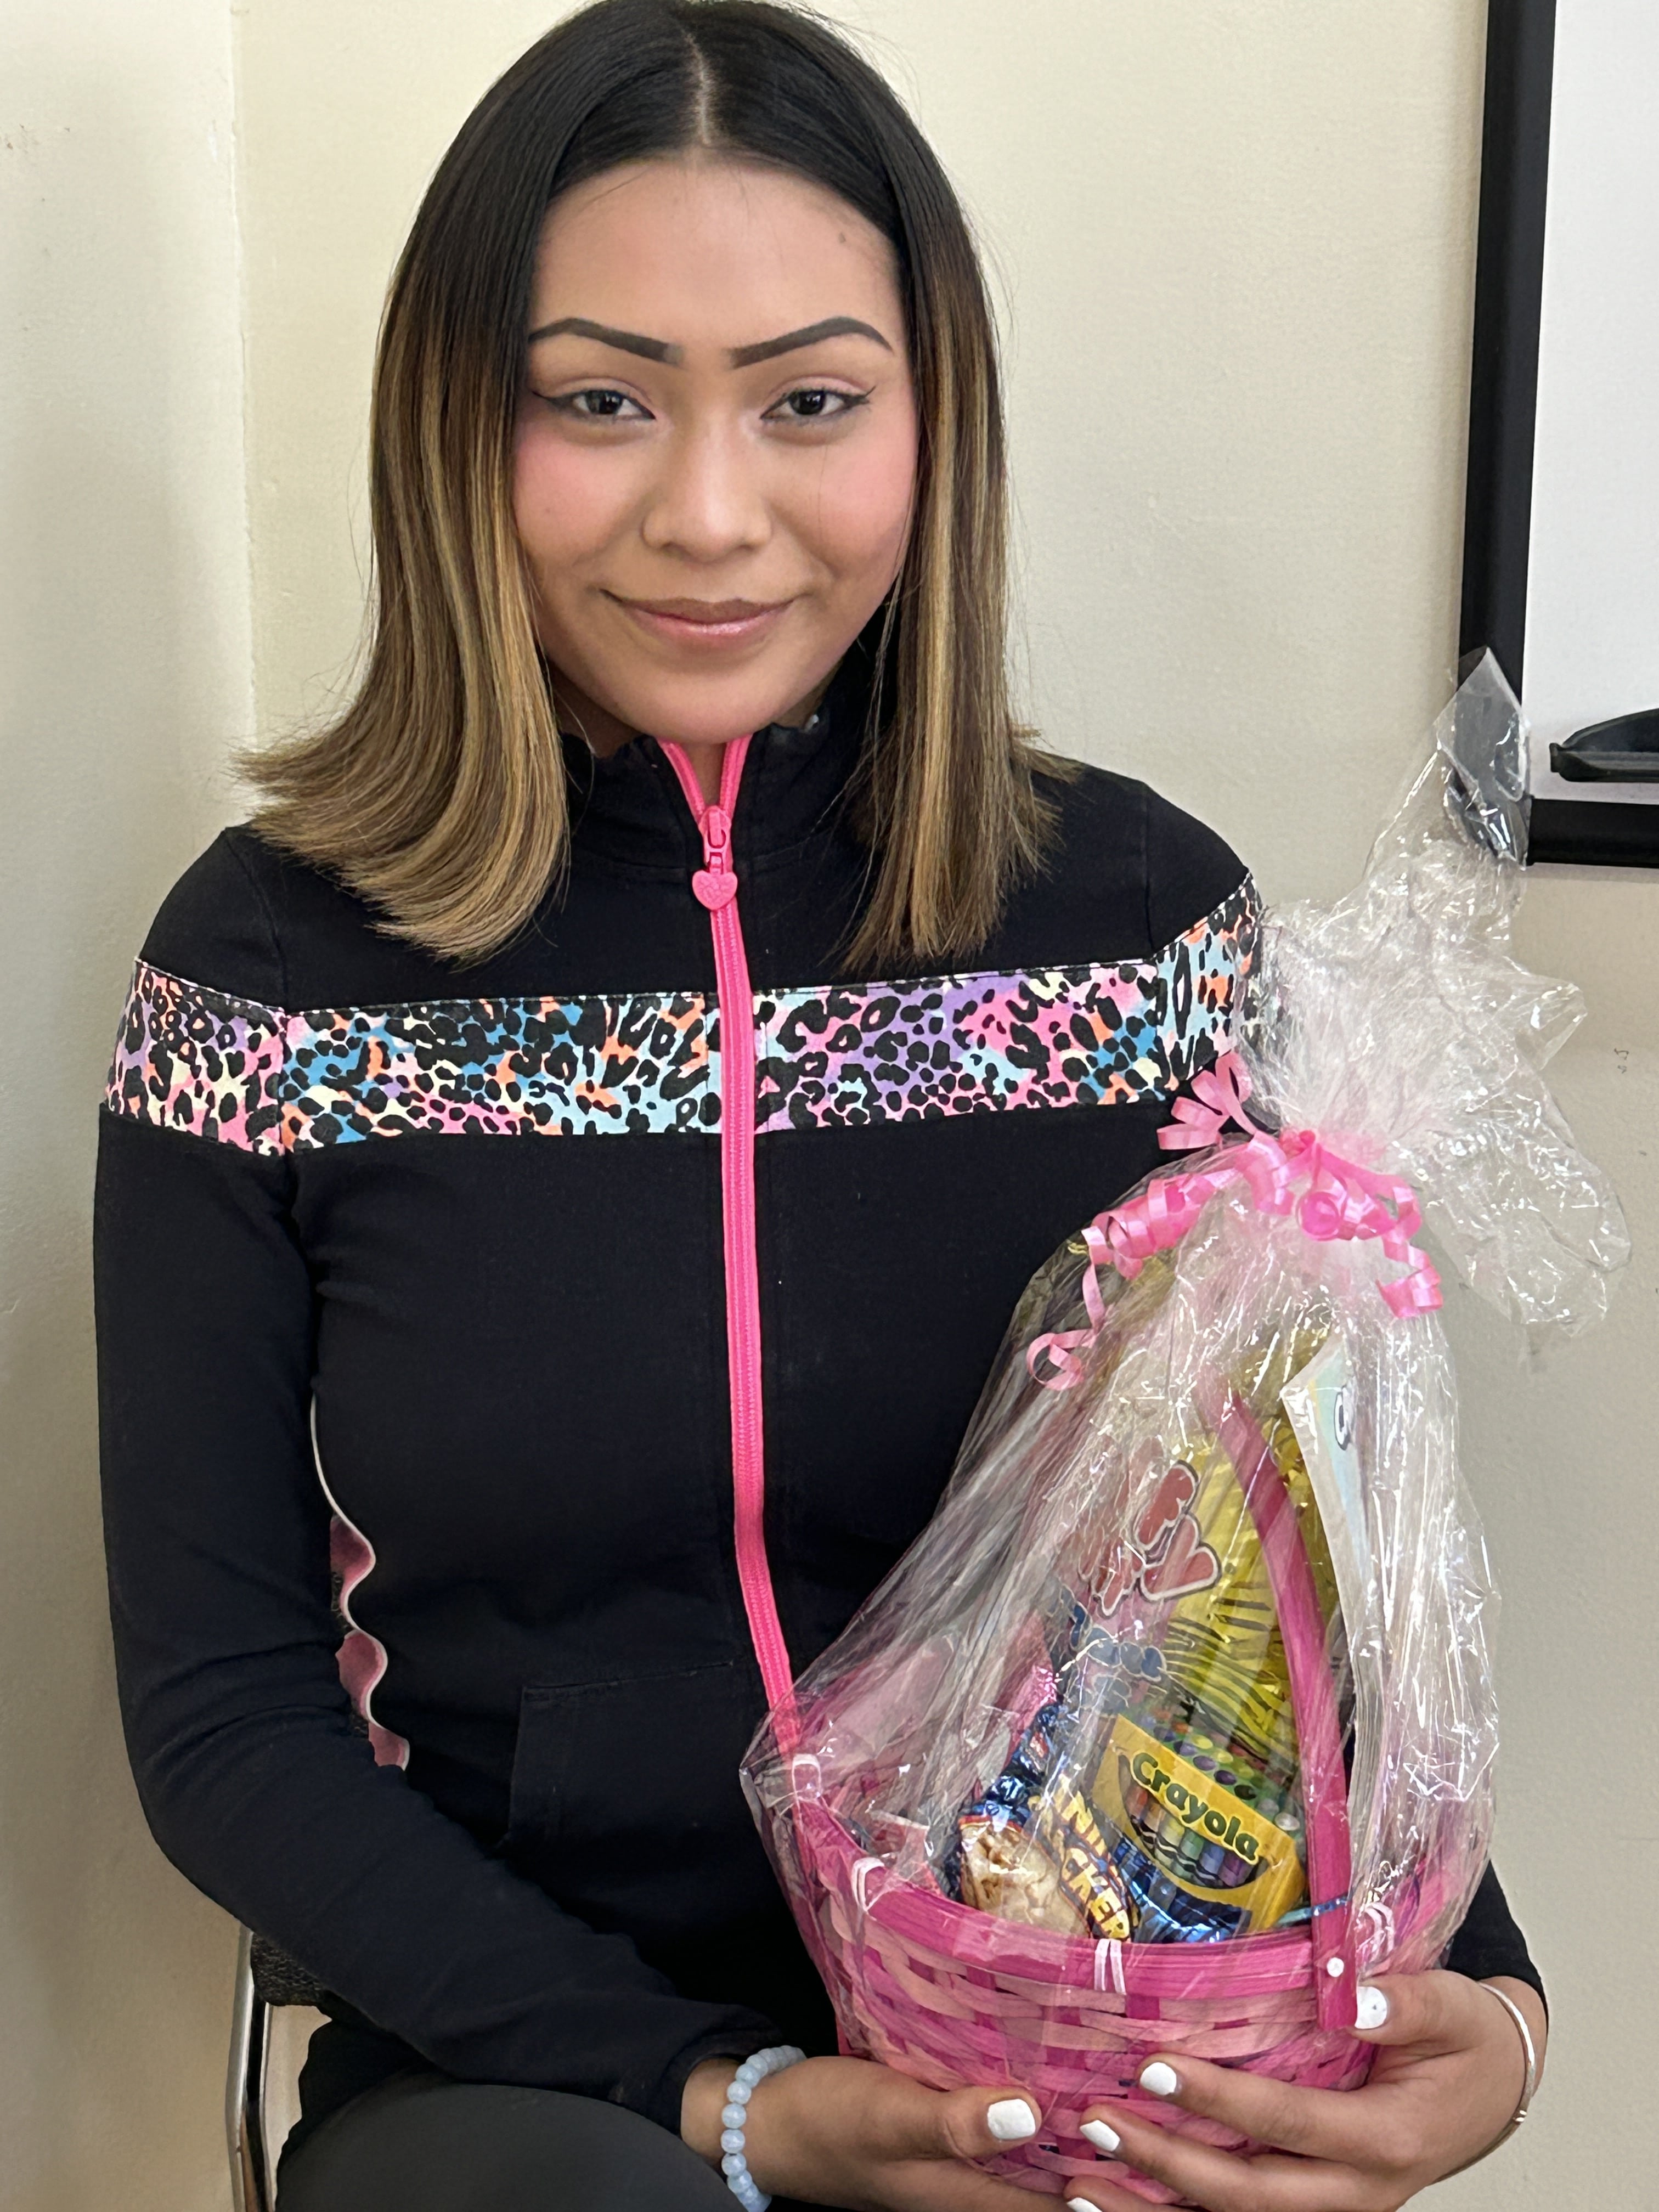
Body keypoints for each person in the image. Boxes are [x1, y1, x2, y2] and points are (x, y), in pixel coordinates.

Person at [94, 5, 1546, 2207]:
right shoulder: (270, 976)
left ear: (928, 425)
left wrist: (1487, 2012)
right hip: (539, 2094)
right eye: (598, 401)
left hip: (1070, 2051)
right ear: (453, 429)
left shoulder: (1145, 930)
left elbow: (1305, 1587)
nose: (708, 515)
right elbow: (225, 1722)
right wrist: (729, 2097)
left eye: (811, 403)